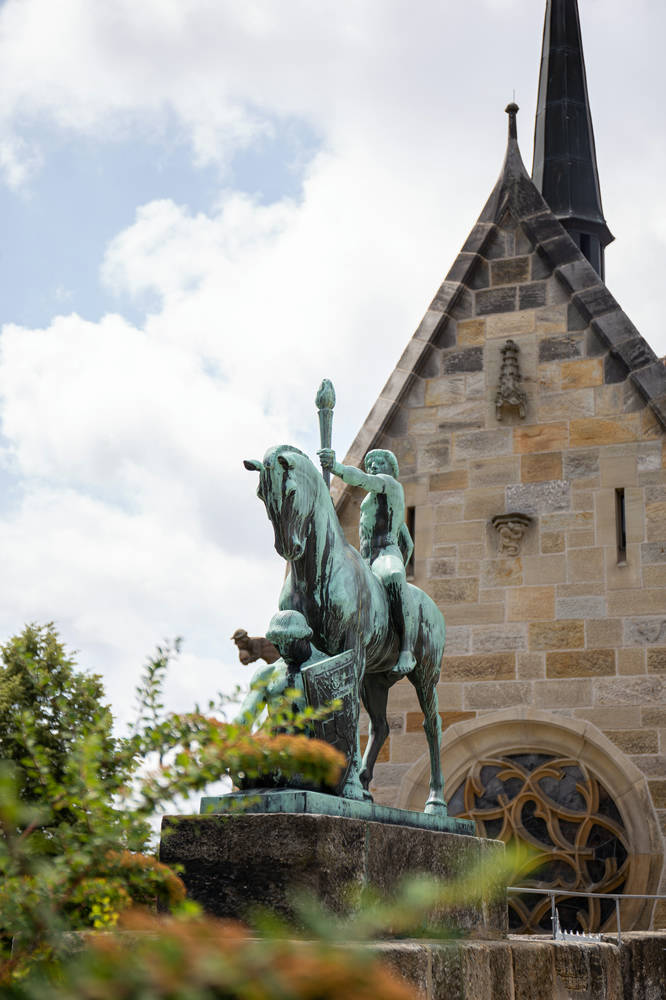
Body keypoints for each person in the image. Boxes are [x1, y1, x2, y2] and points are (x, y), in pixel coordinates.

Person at [318, 447, 416, 675]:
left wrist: (336, 468)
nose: (373, 466)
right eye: (370, 462)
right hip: (365, 558)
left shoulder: (389, 484)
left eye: (379, 462)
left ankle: (407, 649)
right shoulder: (379, 502)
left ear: (390, 469)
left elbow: (362, 479)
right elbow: (408, 541)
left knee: (393, 576)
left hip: (385, 553)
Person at [233, 609, 327, 727]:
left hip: (319, 744)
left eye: (288, 644)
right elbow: (245, 716)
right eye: (277, 645)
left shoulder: (331, 667)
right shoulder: (267, 673)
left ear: (305, 637)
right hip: (279, 743)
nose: (282, 651)